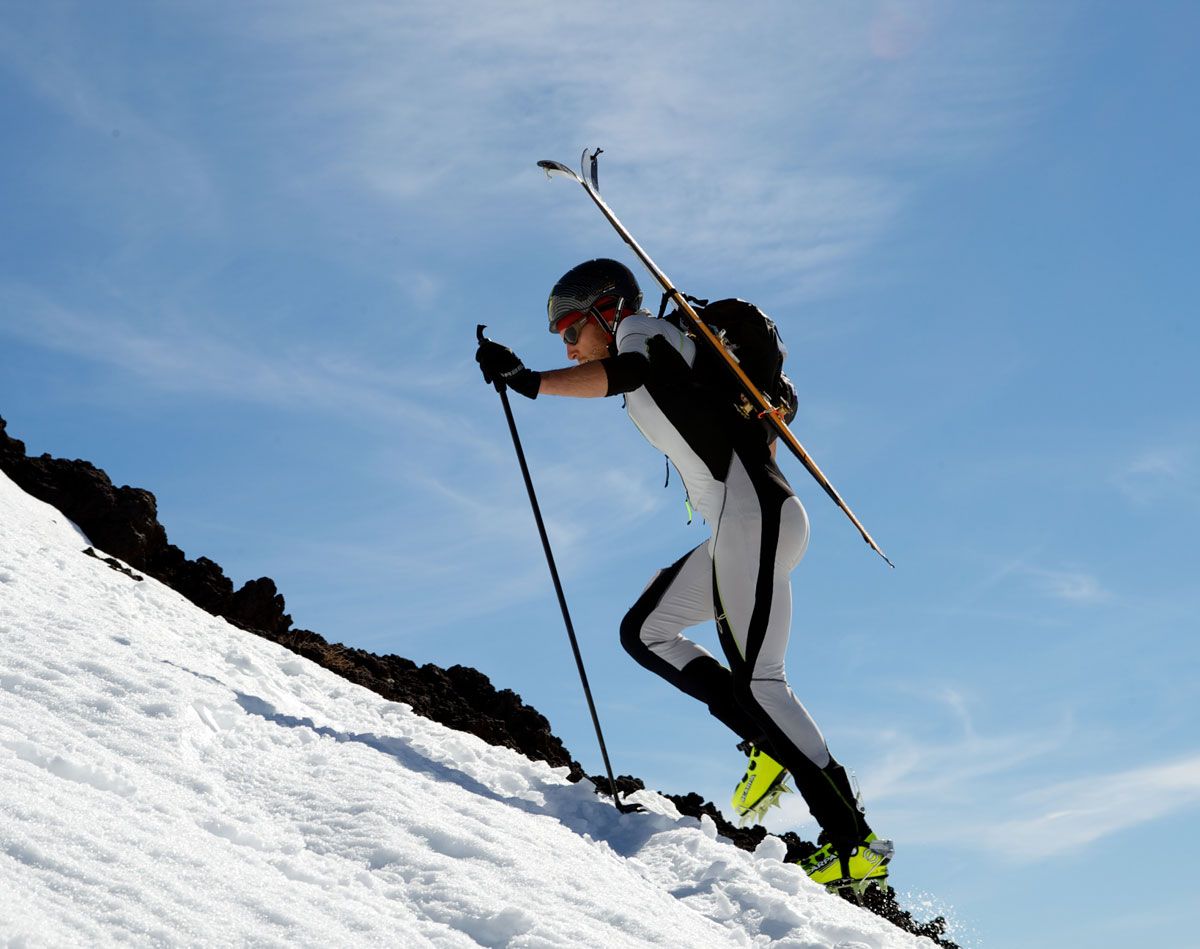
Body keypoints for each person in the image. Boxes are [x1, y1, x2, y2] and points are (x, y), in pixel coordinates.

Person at [475, 258, 891, 894]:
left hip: (753, 516)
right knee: (647, 631)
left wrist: (531, 382)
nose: (564, 341)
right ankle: (766, 743)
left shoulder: (642, 331)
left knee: (762, 683)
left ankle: (853, 842)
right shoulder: (667, 343)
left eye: (568, 327)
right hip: (743, 523)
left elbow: (627, 373)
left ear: (607, 310)